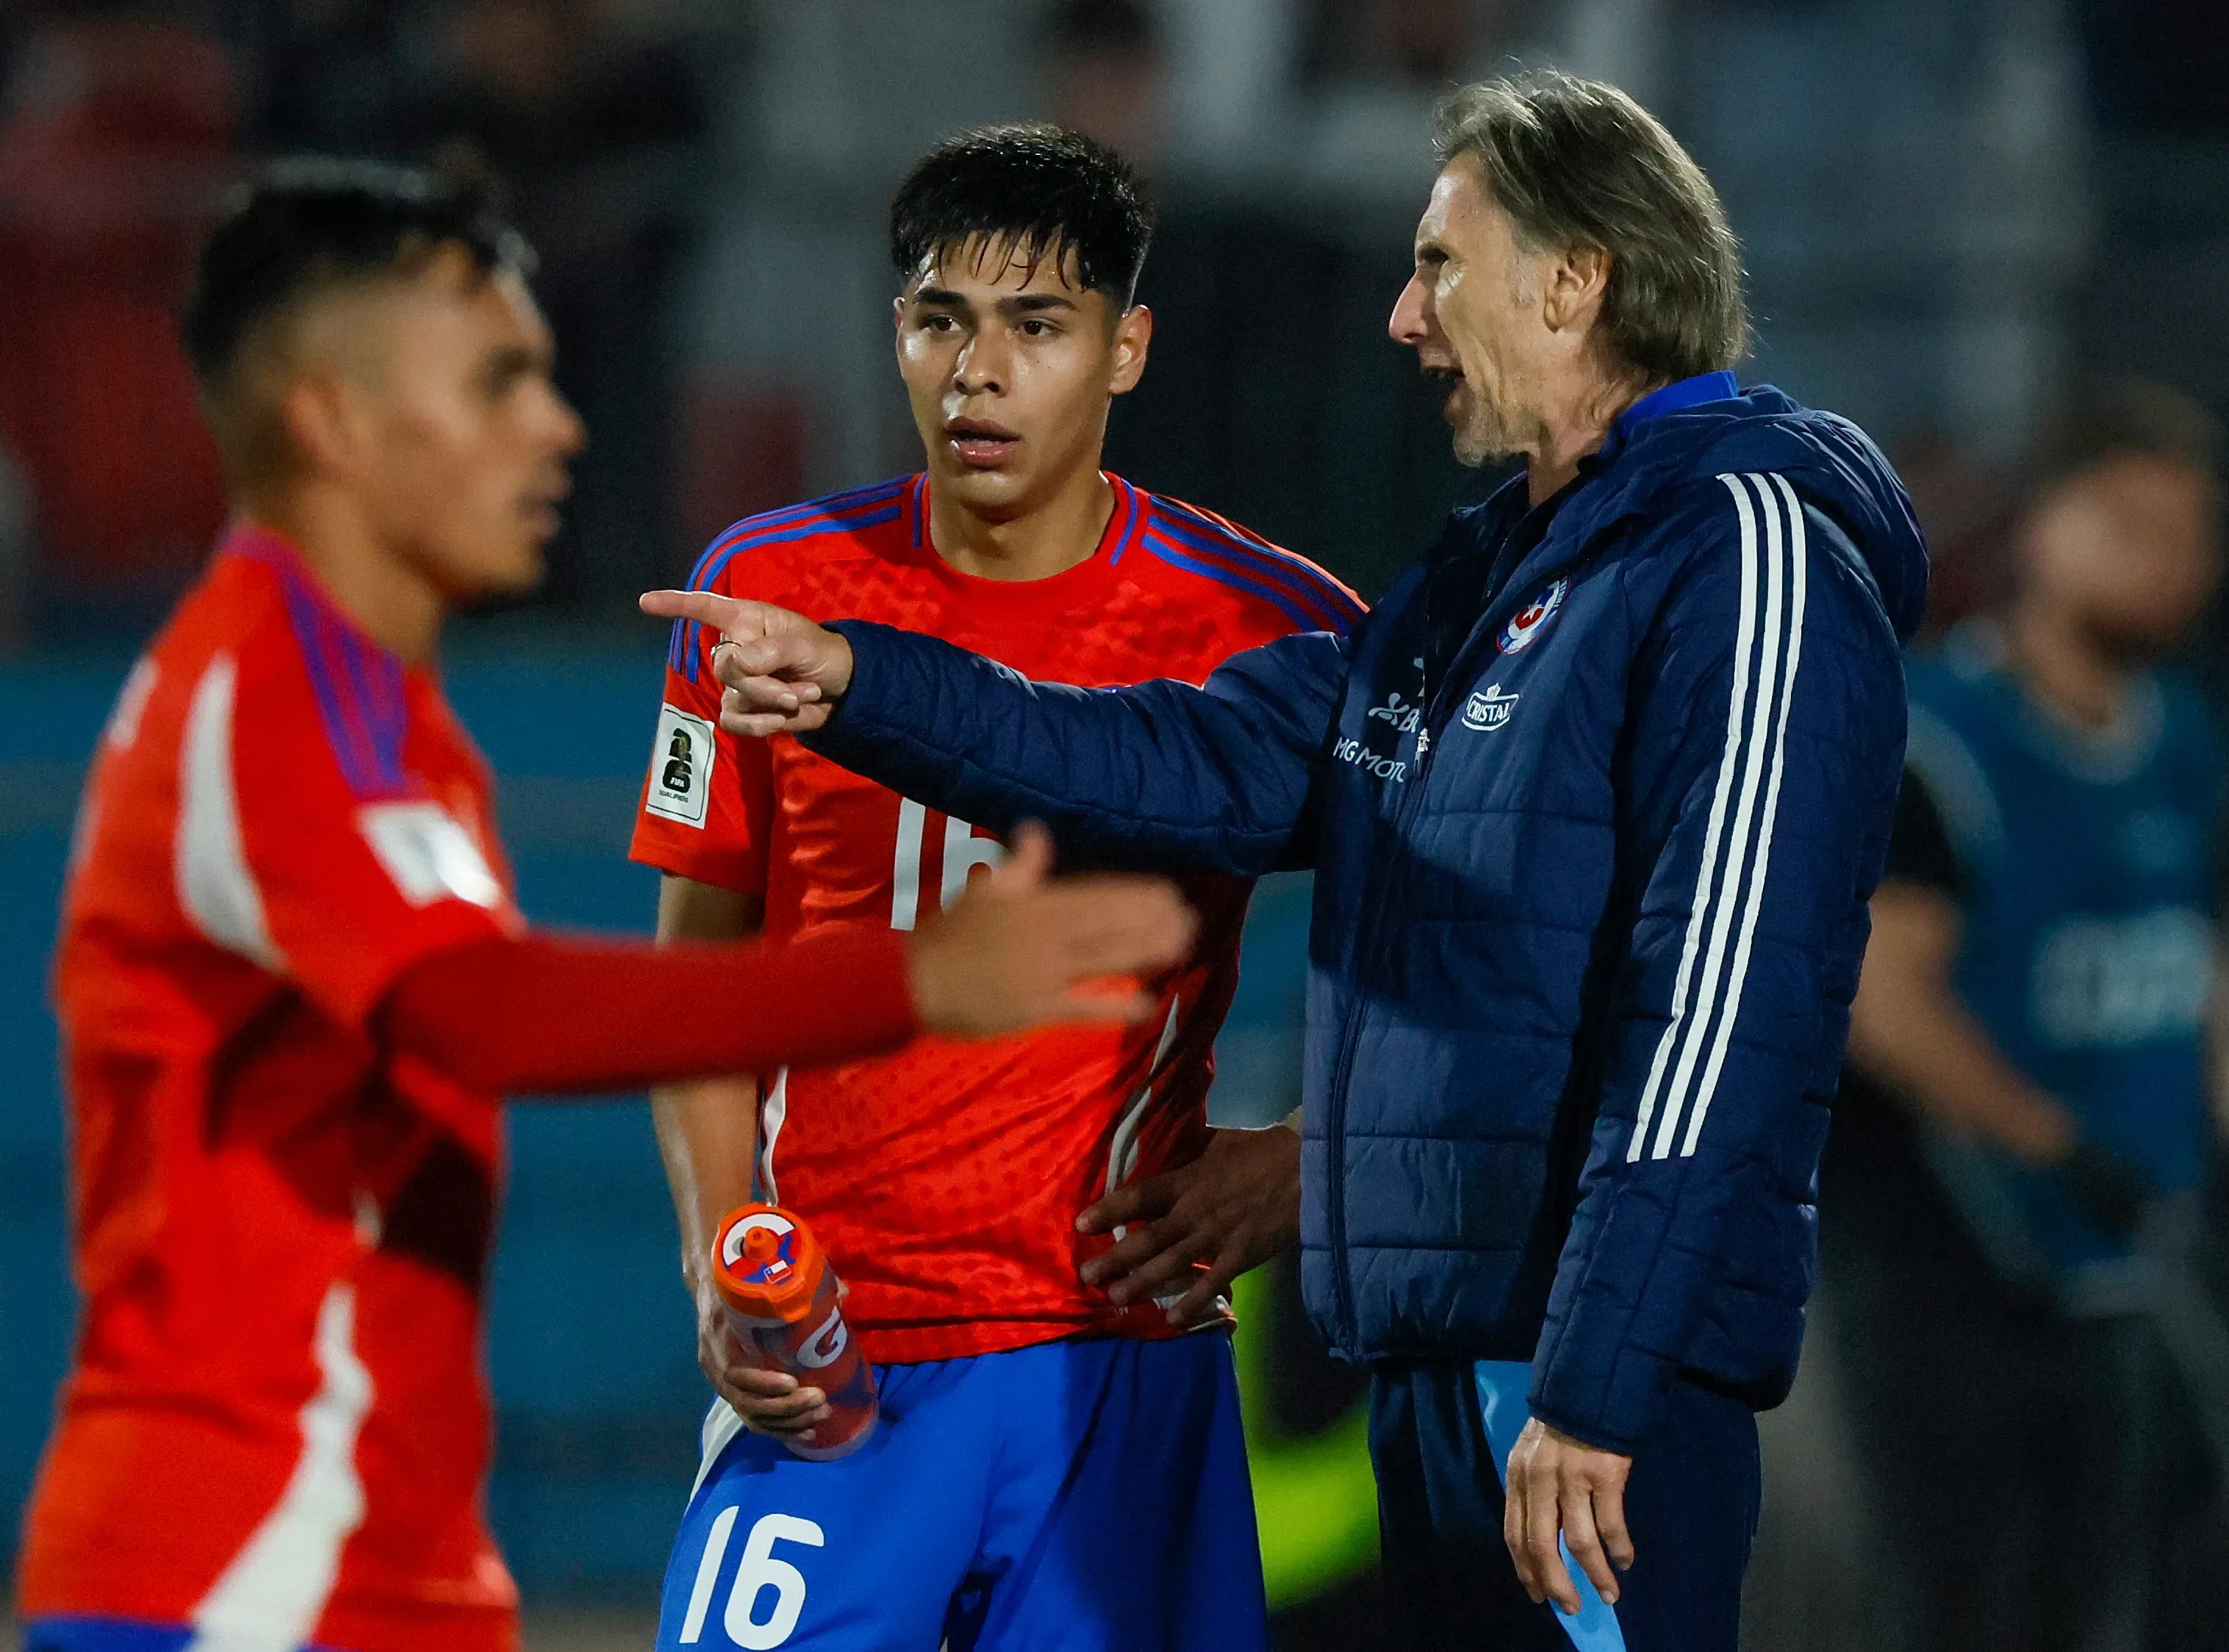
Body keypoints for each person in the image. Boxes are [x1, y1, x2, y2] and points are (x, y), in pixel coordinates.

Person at [648, 71, 1928, 1652]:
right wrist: (861, 679)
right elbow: (1171, 763)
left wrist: (1597, 1385)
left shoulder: (1743, 539)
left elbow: (1718, 1008)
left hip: (1572, 1385)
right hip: (1440, 1369)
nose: (1400, 316)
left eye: (1437, 265)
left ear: (1571, 279)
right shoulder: (1472, 589)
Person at [13, 159, 1194, 1652]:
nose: (556, 425)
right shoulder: (265, 700)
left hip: (361, 1547)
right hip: (244, 1559)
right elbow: (482, 1006)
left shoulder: (375, 719)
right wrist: (909, 982)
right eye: (498, 380)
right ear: (333, 416)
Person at [637, 123, 1362, 1652]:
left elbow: (1444, 946)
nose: (977, 370)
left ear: (1126, 346)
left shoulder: (1273, 624)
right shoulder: (757, 596)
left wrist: (1309, 1161)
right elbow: (697, 986)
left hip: (1117, 1367)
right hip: (841, 1361)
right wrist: (722, 1259)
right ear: (893, 335)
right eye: (937, 320)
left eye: (1035, 325)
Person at [1820, 380, 2229, 1652]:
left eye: (2190, 530)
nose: (2165, 561)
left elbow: (2194, 955)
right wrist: (2049, 1141)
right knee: (1964, 1606)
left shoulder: (2186, 740)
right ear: (2041, 531)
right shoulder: (1936, 744)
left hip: (2136, 1262)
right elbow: (1881, 997)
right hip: (1955, 1264)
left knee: (2129, 1593)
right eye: (2124, 521)